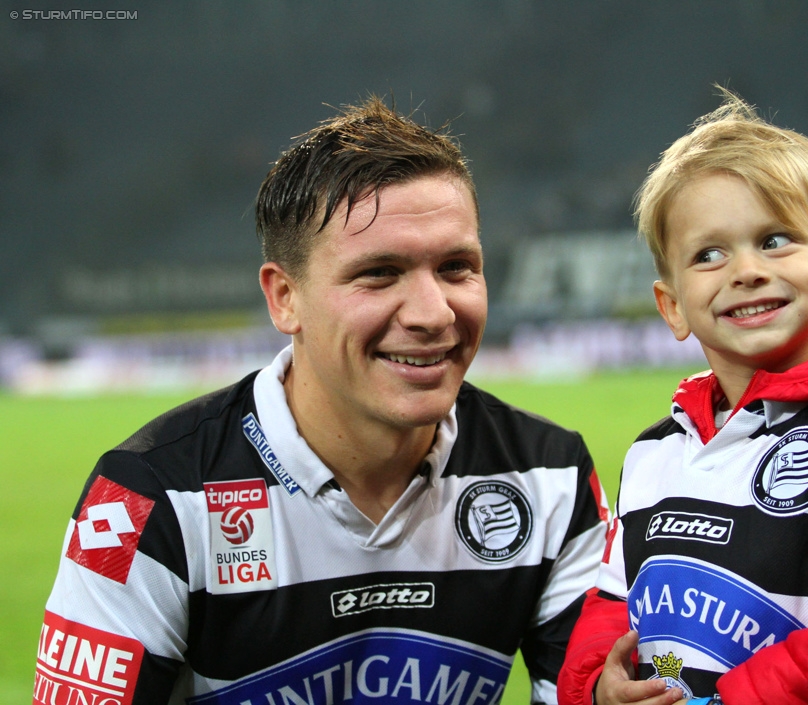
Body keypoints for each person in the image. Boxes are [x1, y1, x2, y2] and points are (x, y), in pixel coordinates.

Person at [34, 96, 609, 705]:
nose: (433, 313)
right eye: (379, 273)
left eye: (456, 267)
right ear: (285, 297)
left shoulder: (550, 475)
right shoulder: (151, 497)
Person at [557, 90, 808, 705]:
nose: (745, 269)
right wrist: (595, 690)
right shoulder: (653, 455)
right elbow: (613, 607)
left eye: (775, 240)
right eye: (709, 254)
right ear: (673, 307)